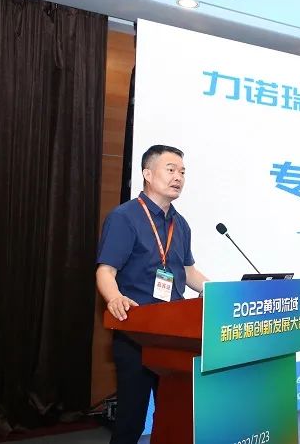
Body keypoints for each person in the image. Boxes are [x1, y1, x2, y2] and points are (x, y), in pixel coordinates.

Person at [96, 145, 208, 444]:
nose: (178, 177)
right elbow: (106, 270)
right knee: (131, 420)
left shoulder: (180, 224)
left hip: (175, 337)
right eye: (171, 169)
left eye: (182, 171)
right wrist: (114, 298)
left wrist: (216, 291)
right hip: (137, 333)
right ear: (147, 173)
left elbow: (187, 271)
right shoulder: (125, 217)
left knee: (174, 416)